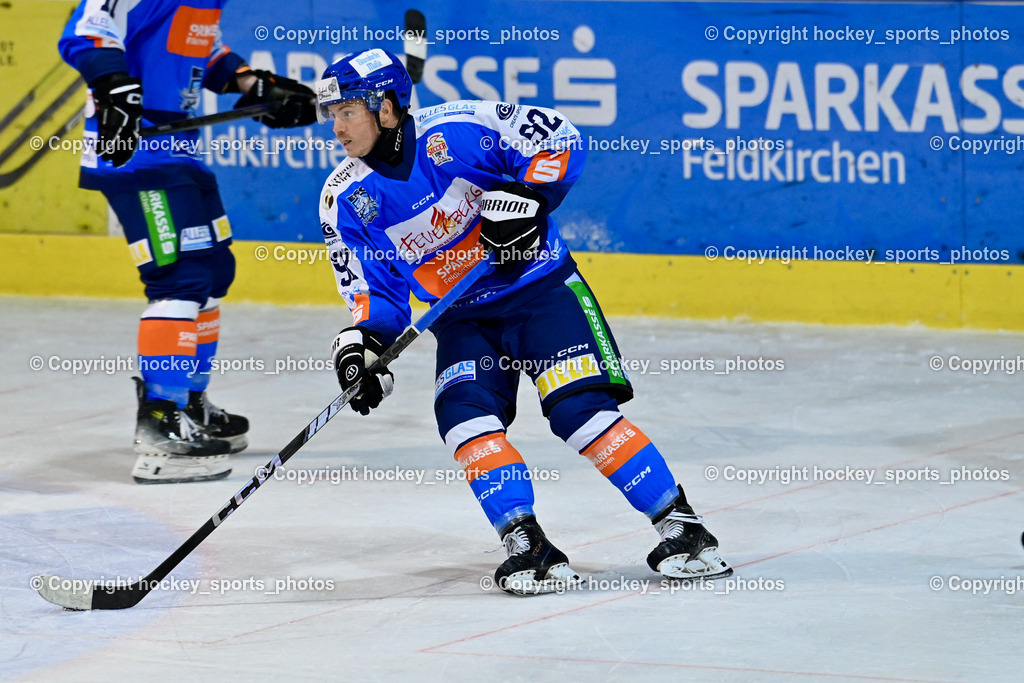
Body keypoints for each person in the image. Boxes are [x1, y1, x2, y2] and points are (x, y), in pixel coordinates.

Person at [315, 48, 732, 594]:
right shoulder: (343, 200)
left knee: (578, 410)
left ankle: (683, 528)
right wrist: (363, 345)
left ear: (387, 109)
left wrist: (529, 198)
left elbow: (557, 139)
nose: (336, 127)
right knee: (463, 416)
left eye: (348, 111)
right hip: (463, 320)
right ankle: (526, 542)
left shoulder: (461, 130)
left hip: (542, 293)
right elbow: (376, 294)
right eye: (333, 114)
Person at [59, 1, 316, 483]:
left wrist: (248, 82)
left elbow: (196, 47)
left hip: (179, 150)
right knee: (180, 278)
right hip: (136, 149)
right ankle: (161, 417)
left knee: (214, 273)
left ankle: (189, 403)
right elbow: (87, 29)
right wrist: (112, 83)